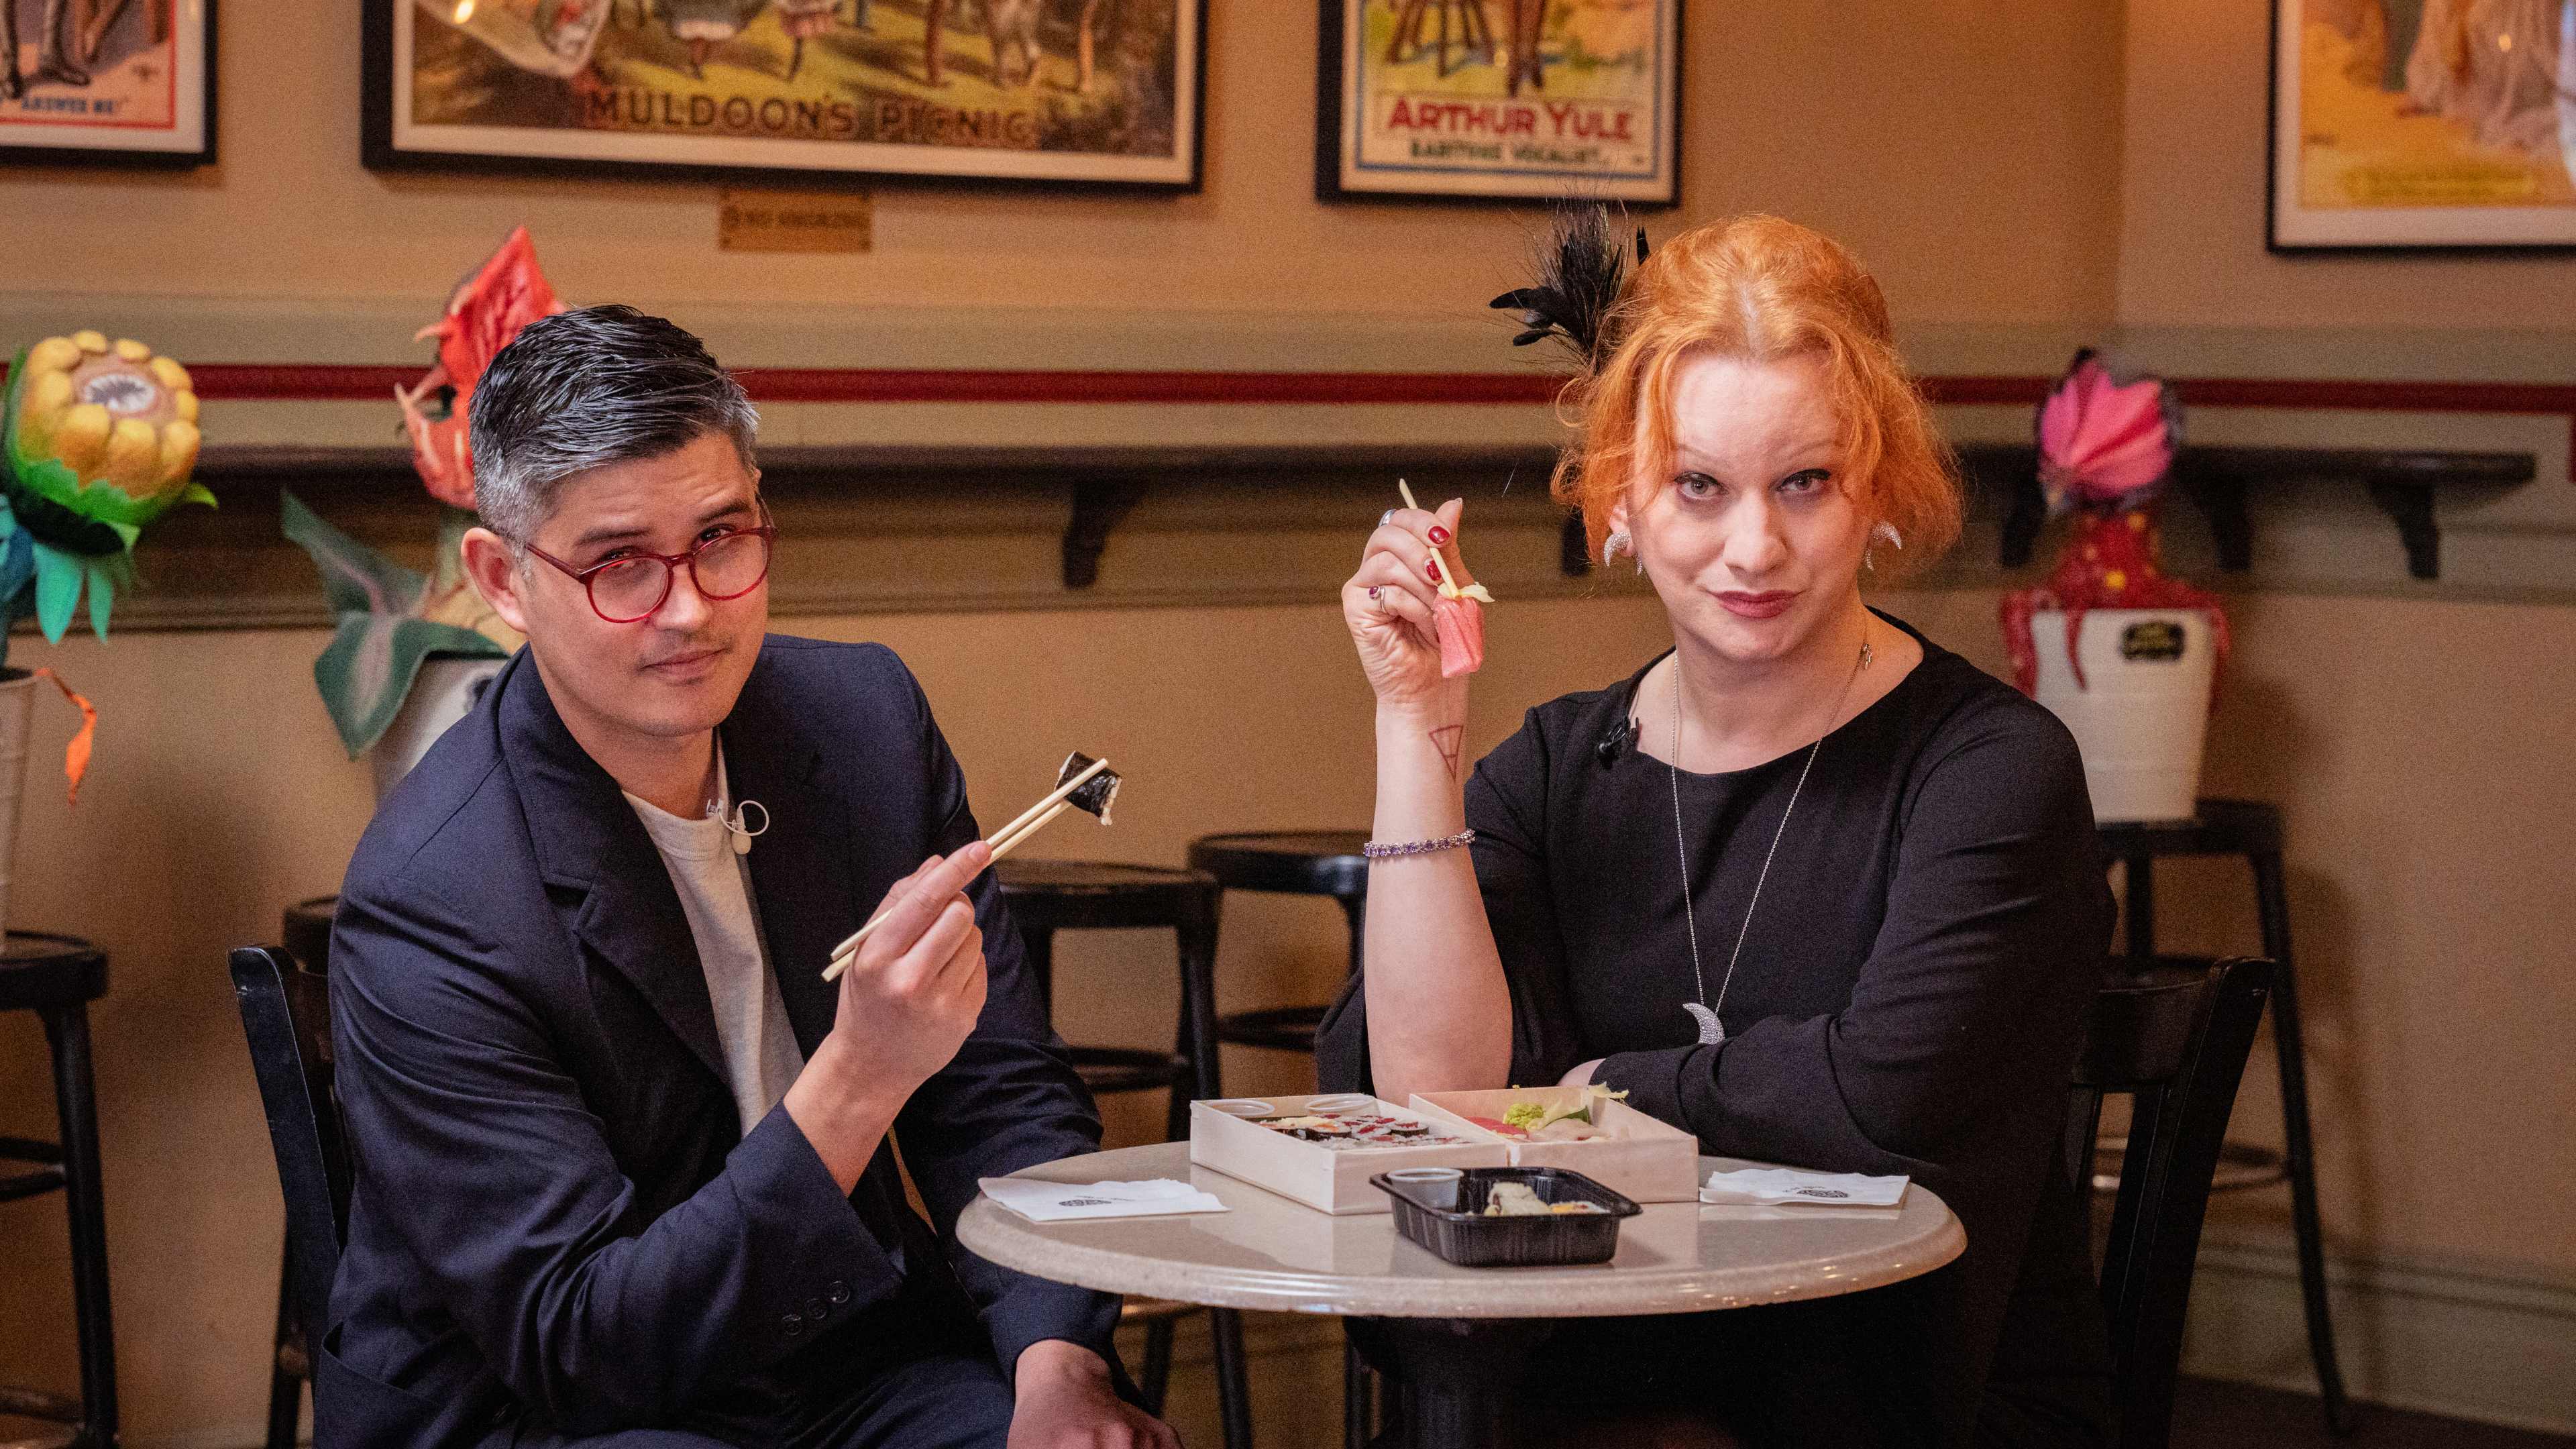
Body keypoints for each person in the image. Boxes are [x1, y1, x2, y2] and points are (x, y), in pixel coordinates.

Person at [1321, 215, 2115, 1448]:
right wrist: (1416, 722)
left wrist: (1589, 1090)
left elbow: (1882, 1093)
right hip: (1574, 1386)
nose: (1756, 548)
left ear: (1880, 493)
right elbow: (1432, 1092)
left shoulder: (1992, 772)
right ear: (1619, 498)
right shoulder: (1547, 767)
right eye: (1700, 485)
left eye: (1806, 483)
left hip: (1892, 1399)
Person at [323, 305, 1177, 1449]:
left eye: (722, 539)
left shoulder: (863, 724)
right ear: (504, 578)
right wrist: (859, 1077)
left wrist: (1058, 1366)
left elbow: (1001, 1098)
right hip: (554, 1411)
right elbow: (582, 1344)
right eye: (620, 564)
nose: (688, 610)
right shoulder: (432, 895)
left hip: (846, 1362)